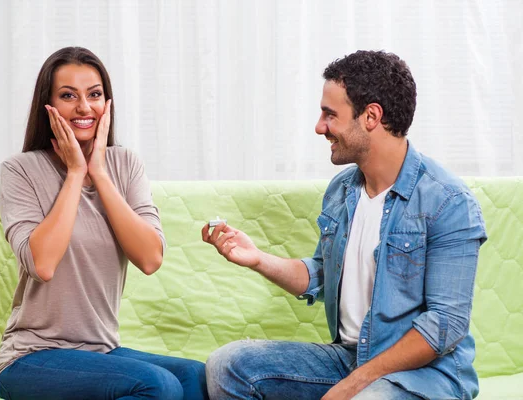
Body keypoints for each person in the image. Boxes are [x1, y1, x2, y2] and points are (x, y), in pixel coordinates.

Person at [202, 50, 487, 400]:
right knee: (227, 365)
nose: (320, 127)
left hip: (426, 376)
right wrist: (257, 258)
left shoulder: (447, 201)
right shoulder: (342, 190)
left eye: (329, 114)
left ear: (371, 116)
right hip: (351, 358)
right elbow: (324, 273)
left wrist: (354, 386)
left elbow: (446, 325)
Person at [0, 47, 208, 400]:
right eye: (68, 96)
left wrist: (100, 173)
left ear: (107, 103)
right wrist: (76, 173)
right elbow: (42, 264)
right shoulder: (20, 171)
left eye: (94, 95)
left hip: (100, 352)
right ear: (47, 105)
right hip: (31, 358)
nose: (84, 108)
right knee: (160, 385)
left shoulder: (125, 164)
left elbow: (150, 258)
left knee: (194, 377)